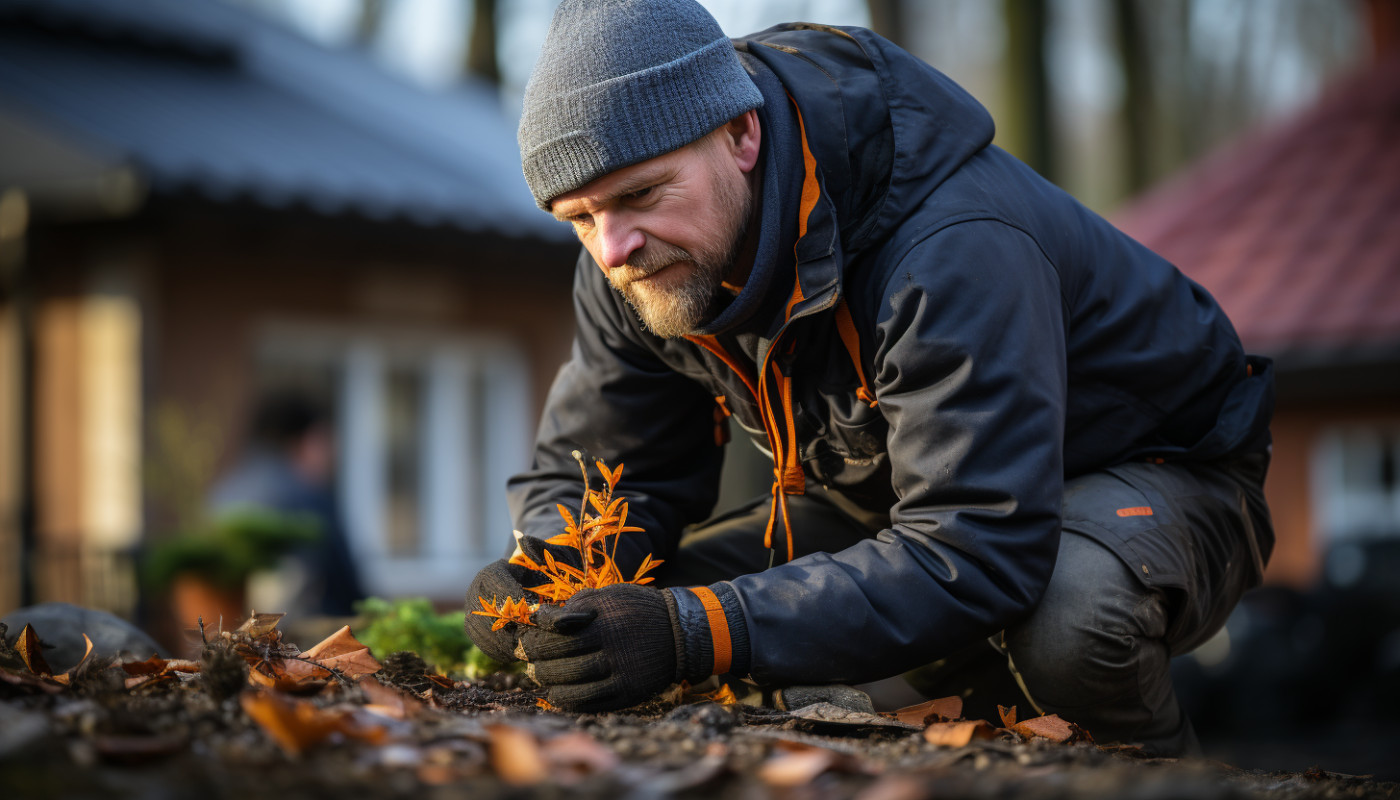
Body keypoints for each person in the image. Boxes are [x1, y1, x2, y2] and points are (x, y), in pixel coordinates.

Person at [465, 0, 1274, 756]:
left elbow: (978, 542)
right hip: (905, 500)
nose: (612, 248)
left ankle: (1152, 773)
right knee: (632, 611)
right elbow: (608, 471)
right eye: (578, 219)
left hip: (1161, 474)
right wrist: (545, 569)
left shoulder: (950, 246)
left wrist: (697, 630)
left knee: (1068, 621)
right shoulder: (638, 261)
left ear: (741, 136)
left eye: (640, 193)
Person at [209, 389, 363, 617]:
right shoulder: (307, 497)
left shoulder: (223, 491)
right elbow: (348, 589)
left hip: (227, 638)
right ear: (305, 440)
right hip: (301, 640)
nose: (331, 454)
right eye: (325, 441)